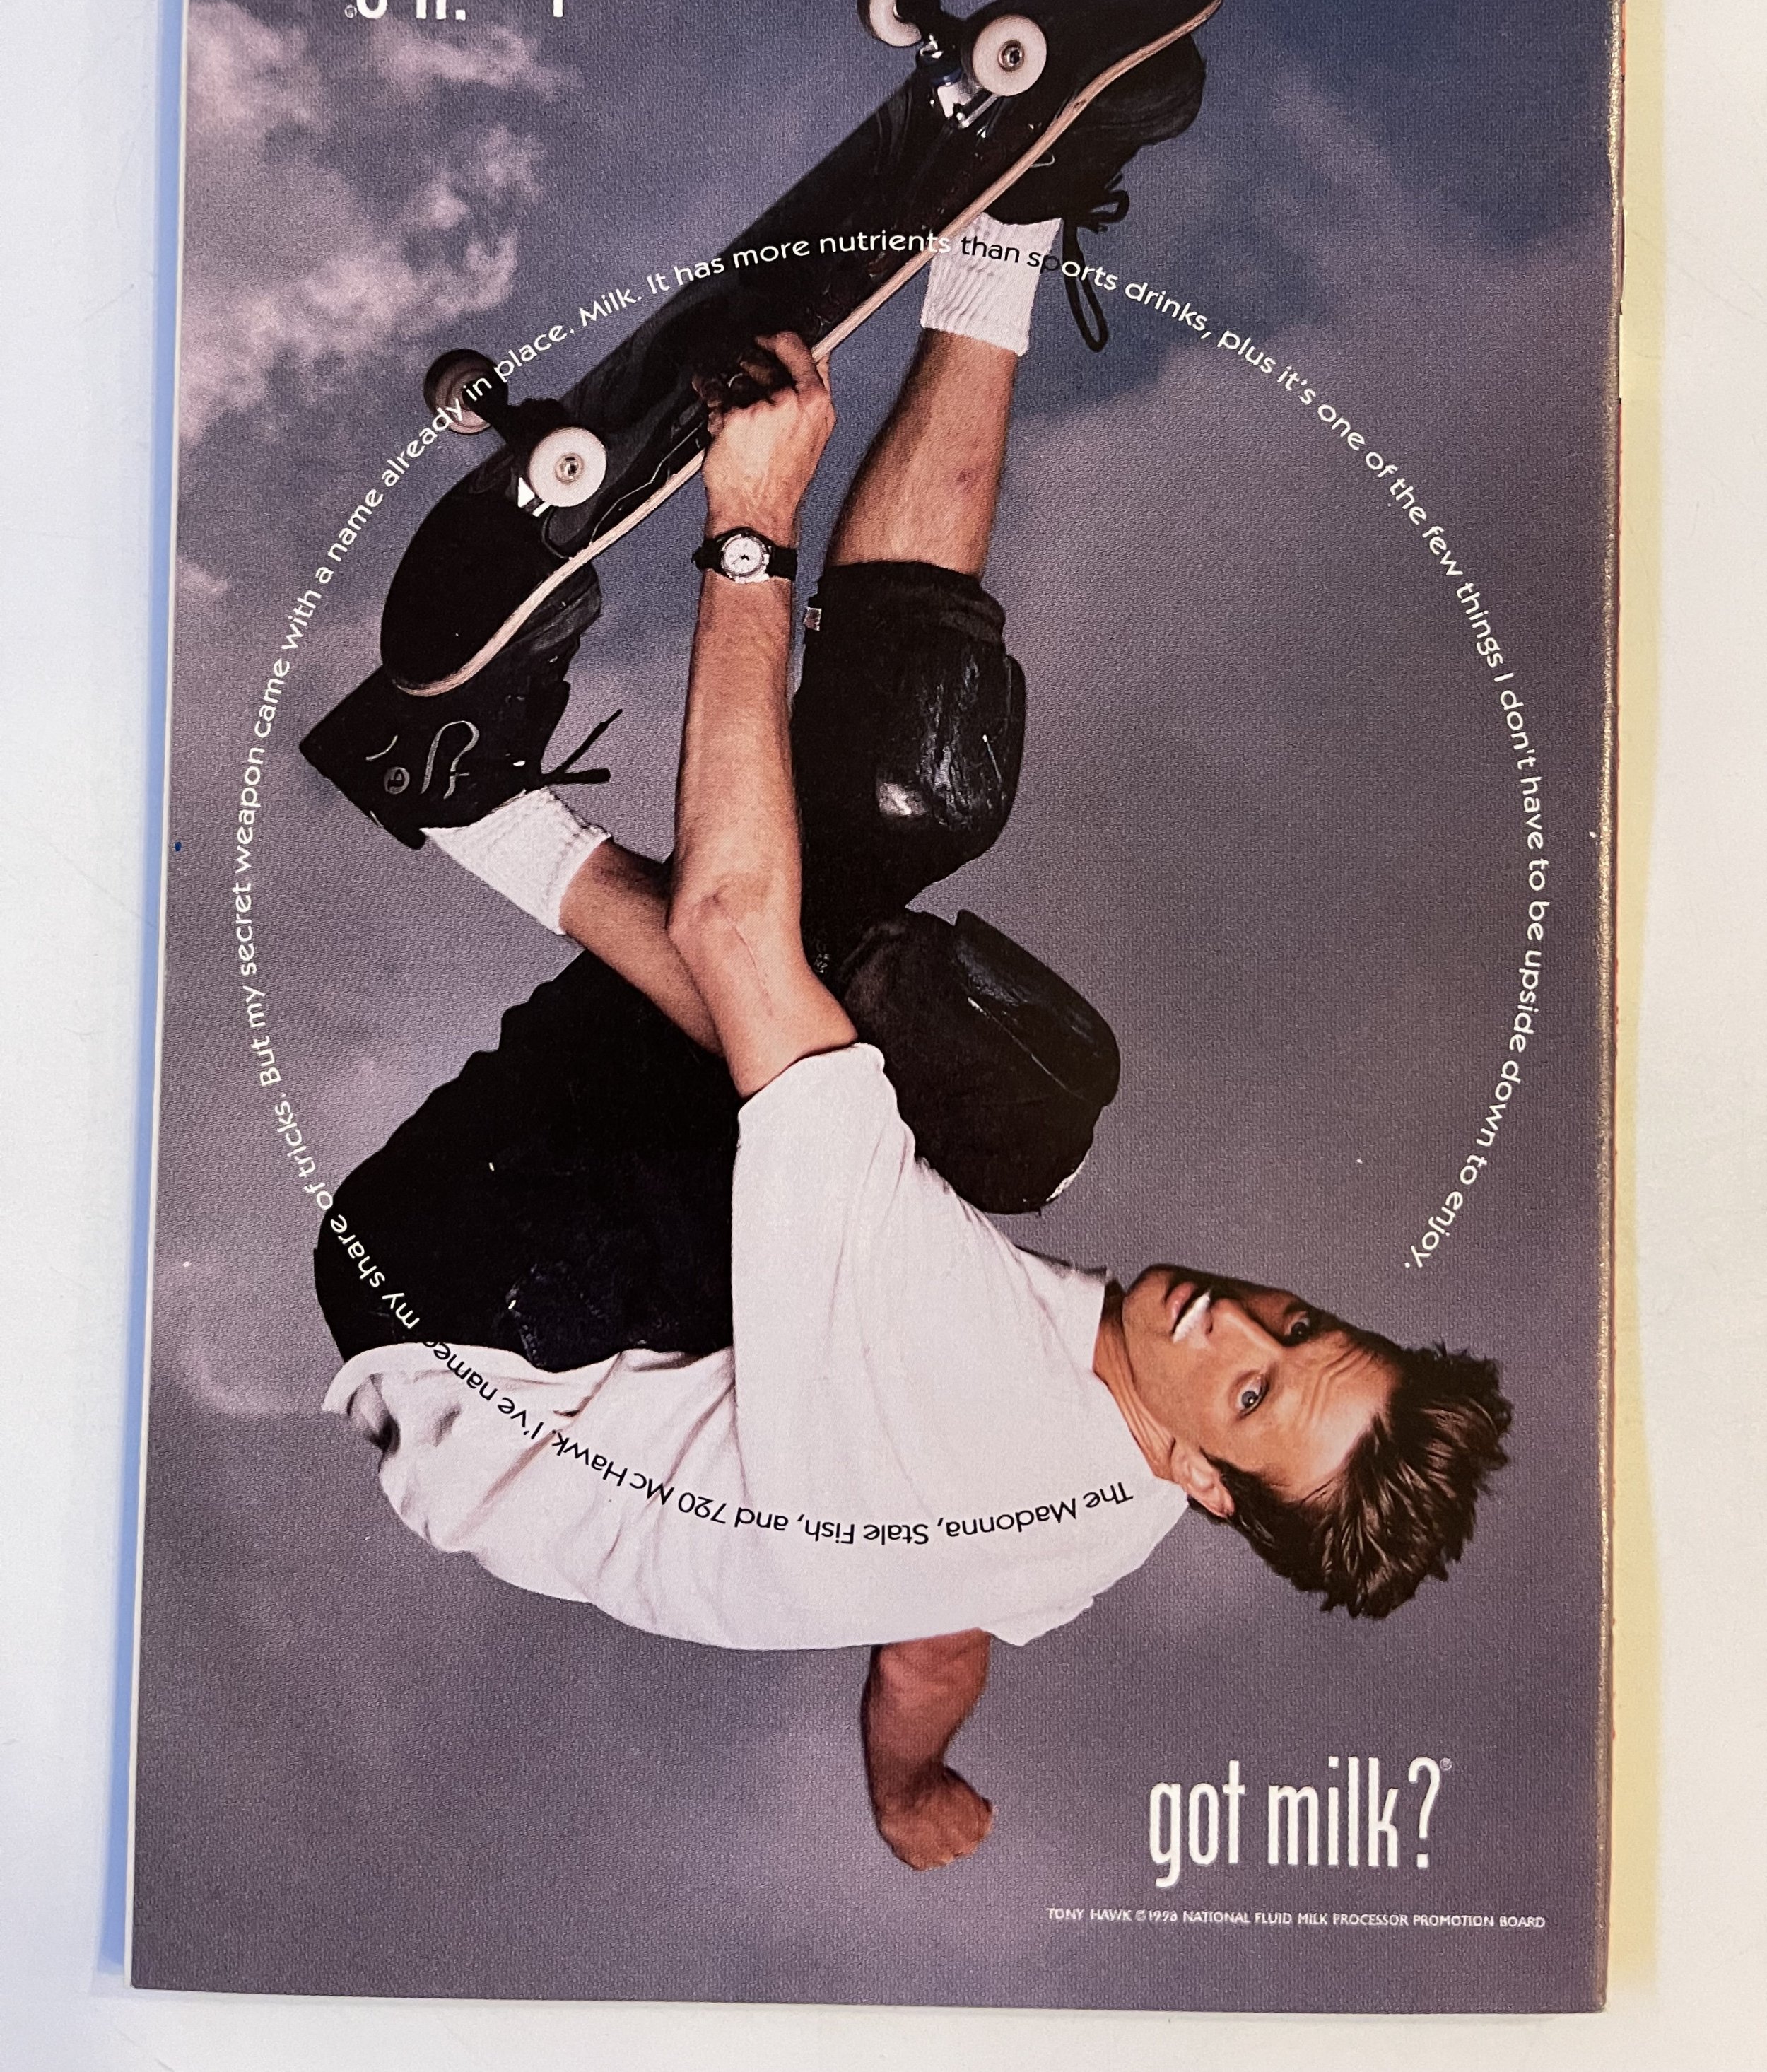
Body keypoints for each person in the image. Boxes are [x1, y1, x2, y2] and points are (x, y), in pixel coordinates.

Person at [315, 204, 1511, 1875]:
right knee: (942, 1057)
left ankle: (467, 791)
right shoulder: (1078, 1539)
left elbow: (735, 933)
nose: (1232, 1314)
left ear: (1206, 1476)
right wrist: (905, 1779)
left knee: (935, 979)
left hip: (476, 1303)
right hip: (515, 1331)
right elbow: (933, 1653)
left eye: (1247, 1382)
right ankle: (1000, 225)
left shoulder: (970, 1380)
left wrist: (750, 527)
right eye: (1300, 1319)